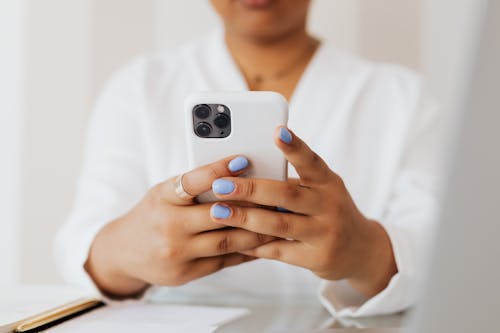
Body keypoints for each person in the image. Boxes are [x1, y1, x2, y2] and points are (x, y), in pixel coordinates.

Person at [55, 0, 446, 317]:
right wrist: (126, 250)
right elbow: (80, 241)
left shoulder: (404, 99)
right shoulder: (140, 87)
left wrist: (367, 252)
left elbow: (448, 252)